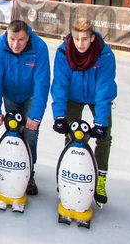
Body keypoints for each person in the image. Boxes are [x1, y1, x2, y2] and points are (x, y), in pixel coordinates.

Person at [50, 18, 117, 206]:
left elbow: (104, 89)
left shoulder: (105, 55)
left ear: (92, 38)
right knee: (71, 134)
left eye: (85, 39)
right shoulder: (63, 52)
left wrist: (101, 123)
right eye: (77, 38)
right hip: (73, 96)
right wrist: (59, 116)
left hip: (97, 98)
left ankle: (100, 182)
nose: (80, 44)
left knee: (104, 137)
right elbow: (60, 84)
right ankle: (68, 175)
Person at [0, 20, 50, 195]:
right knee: (14, 131)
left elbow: (42, 84)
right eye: (12, 39)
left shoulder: (39, 47)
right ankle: (14, 168)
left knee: (30, 133)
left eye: (21, 40)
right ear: (6, 35)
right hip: (10, 95)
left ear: (28, 36)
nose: (16, 44)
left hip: (31, 95)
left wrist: (36, 116)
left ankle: (29, 174)